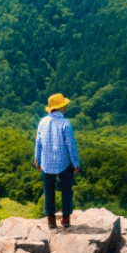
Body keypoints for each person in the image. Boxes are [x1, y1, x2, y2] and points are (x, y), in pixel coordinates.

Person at [35, 93, 81, 229]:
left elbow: (38, 142)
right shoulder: (65, 123)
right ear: (60, 107)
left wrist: (37, 160)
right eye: (64, 104)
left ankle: (51, 221)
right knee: (66, 189)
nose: (66, 106)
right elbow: (71, 145)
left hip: (47, 163)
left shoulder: (42, 122)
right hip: (63, 163)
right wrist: (76, 163)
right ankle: (65, 219)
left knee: (49, 191)